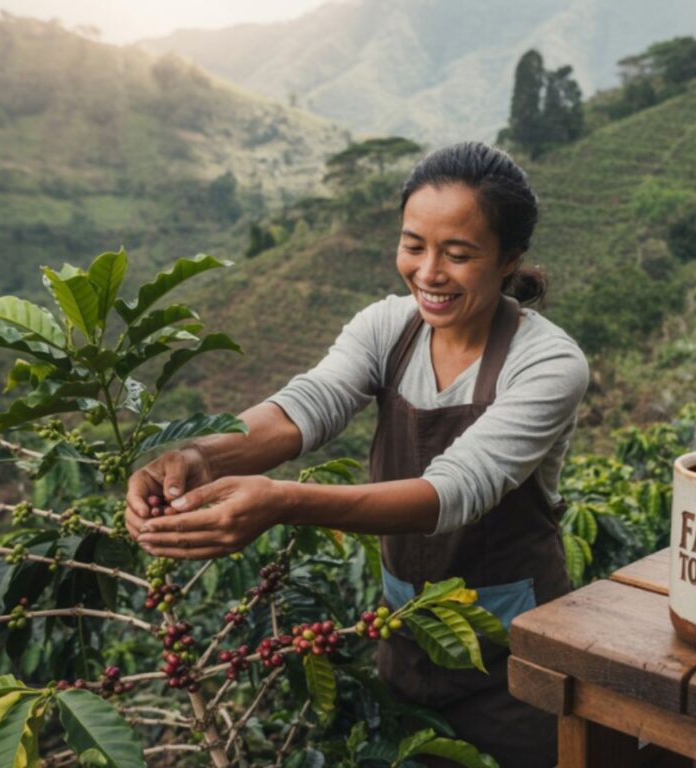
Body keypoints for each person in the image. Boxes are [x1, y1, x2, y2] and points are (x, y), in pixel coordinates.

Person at [124, 141, 589, 767]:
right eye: (414, 245)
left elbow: (452, 492)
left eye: (458, 254)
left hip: (514, 658)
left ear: (509, 260)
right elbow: (304, 408)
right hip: (407, 638)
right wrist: (200, 456)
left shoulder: (549, 364)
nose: (428, 273)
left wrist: (282, 500)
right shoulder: (385, 328)